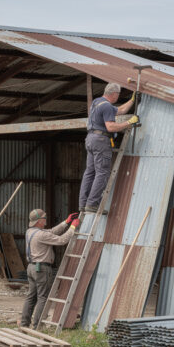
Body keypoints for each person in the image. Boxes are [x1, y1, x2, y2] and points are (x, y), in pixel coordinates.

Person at [78, 82, 141, 213]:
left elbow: (120, 110)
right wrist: (129, 122)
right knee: (102, 172)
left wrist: (132, 100)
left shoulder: (97, 102)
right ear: (113, 94)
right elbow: (111, 127)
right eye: (118, 94)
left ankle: (83, 204)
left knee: (89, 172)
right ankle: (92, 204)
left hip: (90, 139)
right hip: (101, 141)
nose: (118, 97)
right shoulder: (106, 106)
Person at [20, 209, 80, 328]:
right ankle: (37, 326)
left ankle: (24, 324)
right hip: (42, 269)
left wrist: (66, 222)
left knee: (31, 297)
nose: (46, 219)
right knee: (42, 297)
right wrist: (72, 227)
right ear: (39, 221)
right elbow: (62, 240)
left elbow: (51, 231)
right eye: (44, 218)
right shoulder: (42, 235)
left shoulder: (30, 231)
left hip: (31, 268)